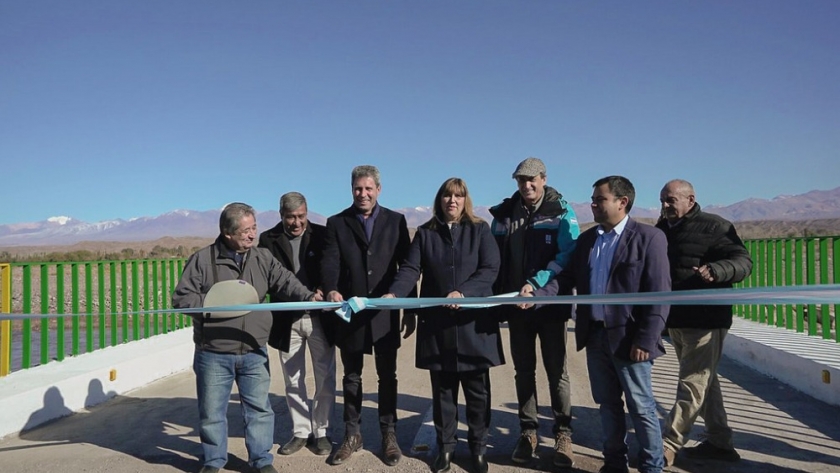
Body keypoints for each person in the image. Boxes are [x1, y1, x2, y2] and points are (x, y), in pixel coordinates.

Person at [529, 175, 671, 473]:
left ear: (623, 202)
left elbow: (660, 294)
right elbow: (567, 279)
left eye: (599, 199)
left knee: (641, 408)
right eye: (593, 199)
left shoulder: (648, 238)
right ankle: (614, 464)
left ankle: (652, 466)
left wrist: (646, 340)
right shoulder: (588, 240)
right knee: (607, 406)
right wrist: (538, 297)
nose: (592, 204)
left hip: (630, 340)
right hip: (595, 336)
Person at [172, 202, 321, 473]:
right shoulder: (202, 260)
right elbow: (182, 299)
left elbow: (285, 281)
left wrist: (308, 296)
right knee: (212, 413)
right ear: (227, 233)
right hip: (213, 353)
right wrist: (216, 303)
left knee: (259, 410)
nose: (253, 235)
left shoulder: (262, 257)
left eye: (254, 228)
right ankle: (214, 461)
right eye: (245, 231)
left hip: (254, 350)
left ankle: (262, 461)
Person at [383, 177, 503, 473]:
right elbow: (411, 268)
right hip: (438, 326)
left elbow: (491, 268)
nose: (453, 200)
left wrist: (464, 293)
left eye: (458, 196)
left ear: (465, 200)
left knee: (478, 393)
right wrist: (395, 292)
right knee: (443, 393)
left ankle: (477, 449)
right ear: (440, 199)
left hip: (474, 325)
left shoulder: (480, 230)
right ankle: (446, 449)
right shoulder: (426, 233)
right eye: (448, 195)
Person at [488, 157, 580, 467]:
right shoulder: (503, 215)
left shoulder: (561, 212)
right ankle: (528, 432)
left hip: (550, 306)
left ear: (543, 179)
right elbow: (493, 259)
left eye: (532, 180)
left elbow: (567, 256)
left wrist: (535, 285)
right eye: (520, 180)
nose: (526, 185)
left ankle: (563, 434)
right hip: (517, 308)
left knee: (557, 373)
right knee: (523, 371)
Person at [320, 165, 414, 467]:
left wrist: (407, 307)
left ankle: (389, 435)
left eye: (368, 188)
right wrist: (332, 288)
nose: (363, 193)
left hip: (385, 314)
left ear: (379, 189)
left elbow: (407, 266)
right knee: (351, 377)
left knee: (388, 376)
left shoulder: (396, 222)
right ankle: (352, 434)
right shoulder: (337, 223)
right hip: (350, 313)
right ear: (351, 190)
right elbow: (330, 261)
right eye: (358, 188)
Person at [658, 179, 752, 466]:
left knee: (692, 383)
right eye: (663, 199)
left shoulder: (716, 226)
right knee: (704, 383)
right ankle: (719, 442)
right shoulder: (662, 230)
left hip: (706, 320)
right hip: (676, 319)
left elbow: (743, 261)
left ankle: (669, 443)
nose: (665, 205)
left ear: (690, 199)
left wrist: (718, 270)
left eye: (671, 200)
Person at [258, 192, 336, 457]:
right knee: (293, 378)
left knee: (325, 376)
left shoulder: (324, 235)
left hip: (320, 318)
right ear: (281, 215)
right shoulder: (267, 240)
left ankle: (322, 431)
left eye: (301, 216)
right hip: (286, 319)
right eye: (290, 217)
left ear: (307, 213)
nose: (296, 222)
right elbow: (267, 278)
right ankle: (301, 431)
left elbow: (334, 268)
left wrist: (326, 289)